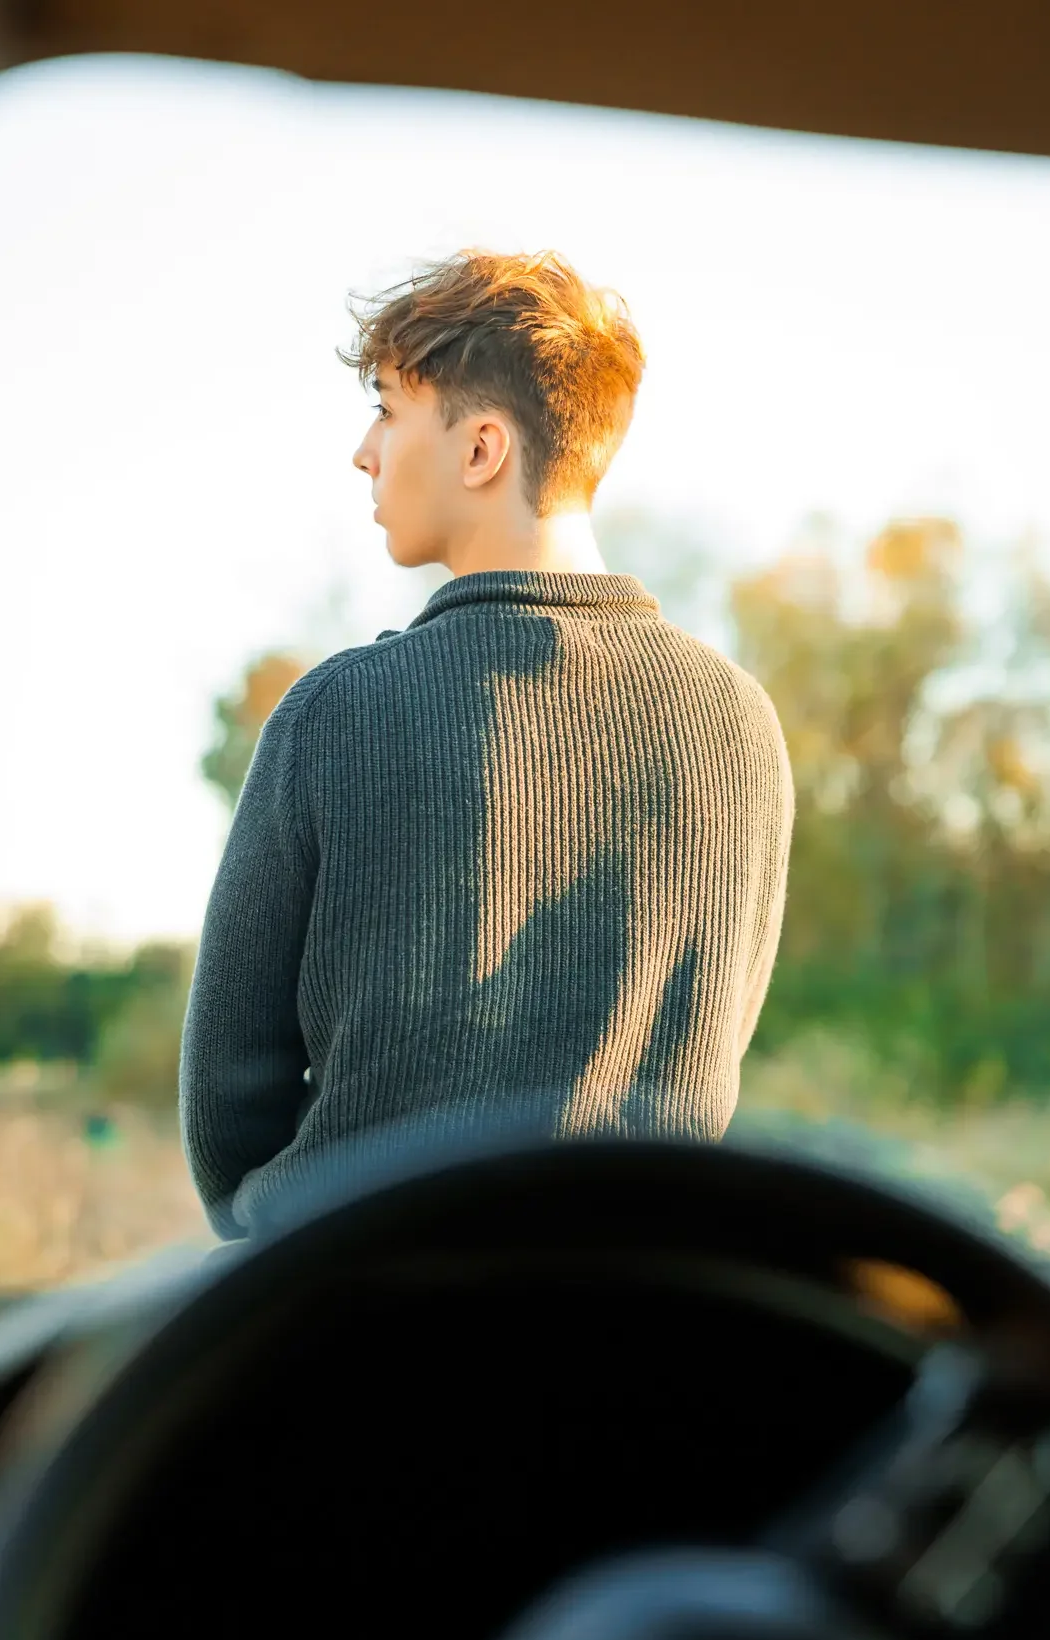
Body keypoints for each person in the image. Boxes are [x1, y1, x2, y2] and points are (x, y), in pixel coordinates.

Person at [179, 249, 794, 1240]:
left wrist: (299, 1225)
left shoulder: (334, 714)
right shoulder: (737, 720)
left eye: (387, 407)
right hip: (646, 1316)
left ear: (480, 450)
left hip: (368, 1314)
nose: (363, 450)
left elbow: (227, 1103)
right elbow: (705, 1059)